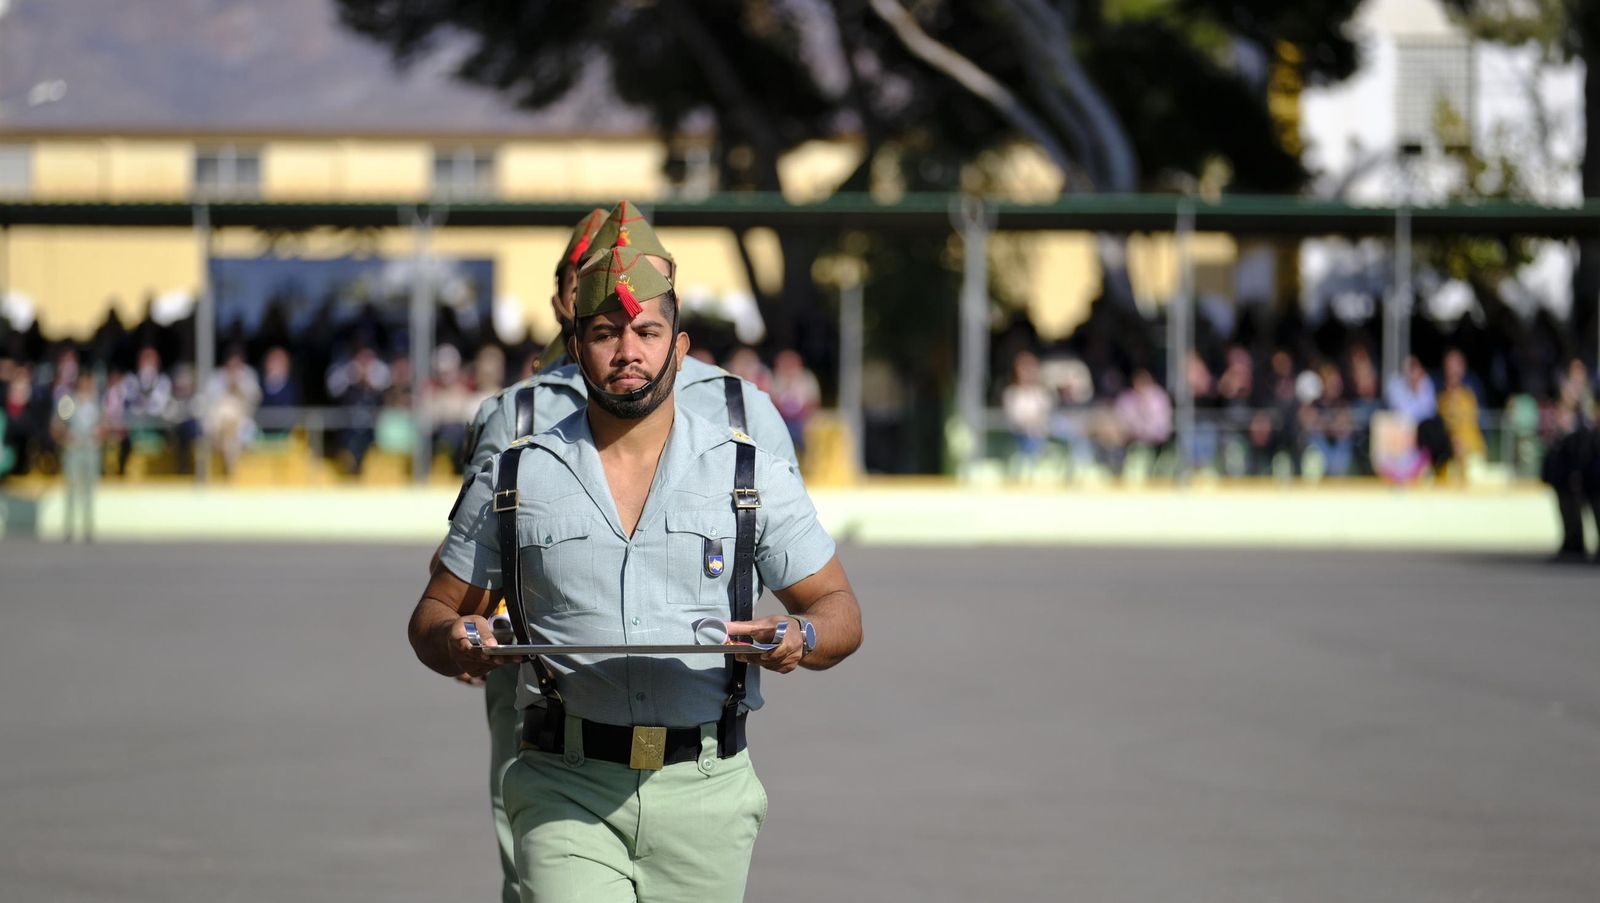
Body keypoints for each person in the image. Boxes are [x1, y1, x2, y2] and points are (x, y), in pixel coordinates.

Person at [413, 245, 861, 902]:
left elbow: (838, 606)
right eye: (605, 334)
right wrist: (455, 637)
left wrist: (802, 634)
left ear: (679, 349)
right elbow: (433, 613)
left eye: (648, 332)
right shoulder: (514, 476)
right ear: (575, 347)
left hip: (707, 792)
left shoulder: (747, 473)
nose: (628, 351)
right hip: (565, 787)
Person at [52, 370, 102, 542]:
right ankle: (69, 527)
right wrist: (66, 436)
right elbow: (57, 425)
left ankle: (88, 527)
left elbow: (104, 424)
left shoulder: (96, 403)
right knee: (72, 489)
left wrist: (99, 434)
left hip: (91, 450)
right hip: (74, 450)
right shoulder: (69, 402)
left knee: (89, 490)